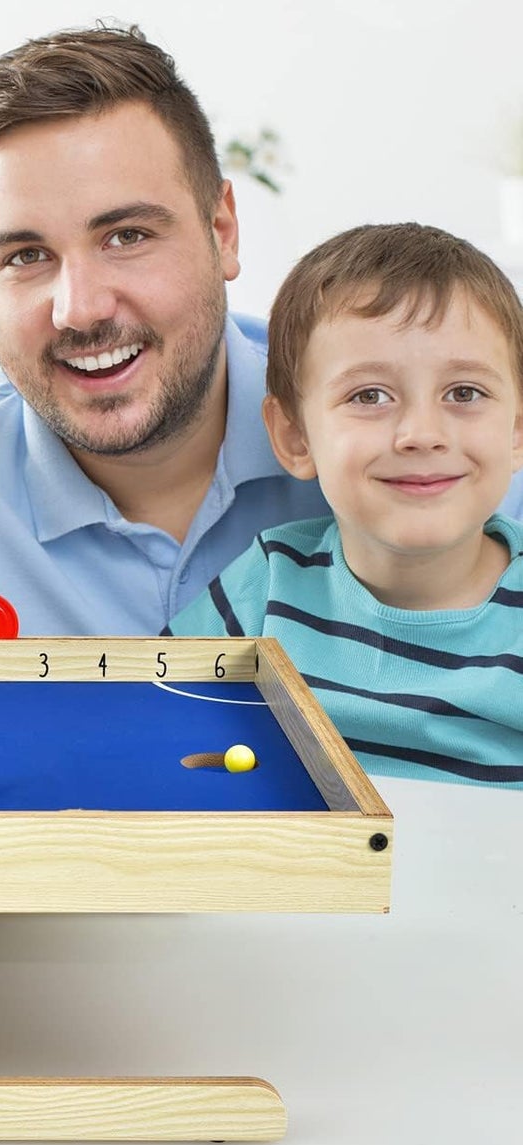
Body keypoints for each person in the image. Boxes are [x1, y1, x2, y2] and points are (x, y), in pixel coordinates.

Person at [0, 24, 523, 637]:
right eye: (26, 257)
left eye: (126, 236)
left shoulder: (447, 463)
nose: (80, 309)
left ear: (223, 230)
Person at [170, 224, 523, 788]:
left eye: (464, 393)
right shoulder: (269, 581)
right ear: (295, 437)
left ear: (517, 429)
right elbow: (156, 713)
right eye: (369, 396)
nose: (421, 434)